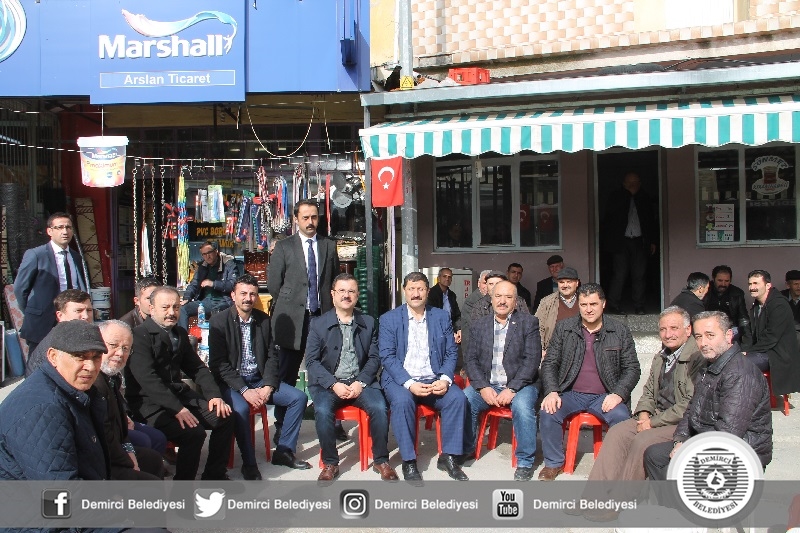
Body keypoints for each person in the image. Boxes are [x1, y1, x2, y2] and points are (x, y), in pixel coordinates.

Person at [577, 306, 703, 522]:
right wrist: (644, 414)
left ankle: (620, 503)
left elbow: (688, 405)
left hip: (681, 423)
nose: (668, 334)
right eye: (663, 329)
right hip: (657, 416)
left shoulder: (696, 358)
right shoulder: (661, 356)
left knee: (642, 441)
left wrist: (652, 423)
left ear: (688, 330)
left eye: (674, 328)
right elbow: (648, 392)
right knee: (618, 432)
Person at [643, 311, 773, 481]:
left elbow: (728, 434)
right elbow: (691, 409)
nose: (703, 343)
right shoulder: (709, 365)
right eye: (698, 337)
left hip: (739, 451)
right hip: (704, 438)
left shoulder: (740, 374)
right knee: (654, 455)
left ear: (728, 335)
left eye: (710, 335)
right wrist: (680, 439)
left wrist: (688, 448)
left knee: (676, 470)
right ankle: (673, 497)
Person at [125, 286, 234, 481]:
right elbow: (148, 380)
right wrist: (177, 409)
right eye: (165, 307)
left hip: (179, 396)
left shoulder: (180, 333)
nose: (171, 312)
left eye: (176, 307)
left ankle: (214, 474)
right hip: (149, 404)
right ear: (152, 308)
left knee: (224, 416)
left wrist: (214, 395)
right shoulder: (139, 336)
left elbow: (197, 368)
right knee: (194, 434)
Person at [208, 274, 311, 480]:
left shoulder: (264, 321)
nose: (248, 298)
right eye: (243, 293)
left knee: (298, 398)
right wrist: (244, 390)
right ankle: (249, 463)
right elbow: (219, 365)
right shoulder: (219, 322)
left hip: (259, 380)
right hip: (233, 384)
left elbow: (273, 357)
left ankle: (284, 451)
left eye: (252, 294)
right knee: (241, 410)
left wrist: (268, 386)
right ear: (233, 295)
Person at [538, 283, 640, 481]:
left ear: (603, 304)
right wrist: (551, 391)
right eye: (584, 305)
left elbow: (632, 368)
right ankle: (553, 463)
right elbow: (550, 362)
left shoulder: (619, 331)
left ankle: (618, 466)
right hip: (570, 393)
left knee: (622, 420)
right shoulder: (565, 328)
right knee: (548, 411)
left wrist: (618, 393)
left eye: (593, 304)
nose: (589, 309)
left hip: (605, 395)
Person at [306, 273, 399, 483]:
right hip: (329, 384)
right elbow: (312, 362)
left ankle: (381, 460)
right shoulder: (318, 324)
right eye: (341, 291)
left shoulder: (368, 322)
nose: (346, 295)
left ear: (357, 296)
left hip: (360, 382)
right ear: (333, 294)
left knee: (379, 407)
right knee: (322, 410)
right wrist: (333, 384)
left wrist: (361, 382)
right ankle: (330, 463)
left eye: (351, 291)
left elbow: (375, 358)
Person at [379, 272, 468, 483]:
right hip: (401, 379)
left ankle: (448, 456)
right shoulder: (389, 319)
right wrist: (409, 384)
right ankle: (409, 460)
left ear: (427, 291)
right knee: (402, 402)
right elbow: (387, 356)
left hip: (433, 377)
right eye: (411, 289)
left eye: (420, 289)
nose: (416, 294)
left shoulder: (441, 317)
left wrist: (445, 379)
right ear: (404, 291)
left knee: (457, 399)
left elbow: (451, 352)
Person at [267, 199, 339, 442]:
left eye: (314, 217)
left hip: (322, 318)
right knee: (286, 373)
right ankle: (281, 424)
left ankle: (332, 421)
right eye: (305, 217)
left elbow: (335, 282)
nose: (310, 222)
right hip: (293, 321)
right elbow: (274, 284)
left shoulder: (328, 245)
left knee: (328, 370)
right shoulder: (284, 246)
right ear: (296, 219)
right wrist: (293, 304)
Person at [0, 320, 108, 480]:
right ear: (53, 356)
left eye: (96, 357)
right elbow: (58, 488)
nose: (90, 366)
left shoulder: (71, 389)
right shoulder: (44, 408)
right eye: (80, 357)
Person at [462, 280, 542, 481]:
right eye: (498, 296)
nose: (502, 301)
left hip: (521, 384)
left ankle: (525, 461)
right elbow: (470, 360)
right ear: (491, 299)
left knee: (522, 407)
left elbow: (532, 360)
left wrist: (512, 389)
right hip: (489, 384)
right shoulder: (479, 325)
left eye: (508, 297)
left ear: (516, 301)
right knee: (465, 399)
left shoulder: (528, 323)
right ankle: (467, 448)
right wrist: (482, 387)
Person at [96, 320, 164, 481]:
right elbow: (105, 433)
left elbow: (120, 427)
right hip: (99, 456)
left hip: (115, 446)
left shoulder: (112, 377)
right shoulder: (94, 381)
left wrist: (129, 452)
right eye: (113, 345)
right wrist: (127, 460)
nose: (120, 353)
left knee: (153, 458)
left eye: (126, 348)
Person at [14, 212, 87, 353]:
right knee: (38, 360)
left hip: (70, 319)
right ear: (49, 231)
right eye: (59, 227)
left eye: (68, 227)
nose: (65, 231)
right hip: (42, 321)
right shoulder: (36, 255)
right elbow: (20, 288)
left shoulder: (76, 257)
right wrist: (32, 310)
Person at [740, 269, 800, 397]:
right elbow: (750, 332)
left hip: (778, 355)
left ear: (768, 286)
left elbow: (772, 336)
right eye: (750, 284)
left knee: (739, 365)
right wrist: (744, 350)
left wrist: (749, 352)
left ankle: (746, 401)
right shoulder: (757, 304)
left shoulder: (779, 304)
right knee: (732, 359)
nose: (752, 287)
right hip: (763, 351)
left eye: (756, 283)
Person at [604, 173, 656, 315]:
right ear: (624, 184)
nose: (634, 185)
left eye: (636, 182)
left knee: (639, 274)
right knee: (619, 274)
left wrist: (652, 240)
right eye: (630, 183)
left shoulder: (644, 197)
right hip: (621, 241)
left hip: (639, 241)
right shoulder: (616, 196)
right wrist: (627, 195)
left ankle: (639, 305)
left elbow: (650, 220)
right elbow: (610, 215)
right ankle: (613, 305)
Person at [24, 289, 93, 377]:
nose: (86, 316)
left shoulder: (76, 334)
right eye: (78, 311)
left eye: (89, 310)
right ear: (60, 316)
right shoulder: (61, 342)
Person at [178, 240, 239, 330]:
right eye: (204, 254)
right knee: (182, 308)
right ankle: (183, 337)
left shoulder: (228, 264)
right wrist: (187, 298)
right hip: (205, 302)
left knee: (216, 312)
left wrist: (213, 283)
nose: (207, 256)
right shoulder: (202, 267)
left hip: (224, 301)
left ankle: (215, 337)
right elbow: (193, 284)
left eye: (209, 252)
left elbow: (233, 285)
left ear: (216, 252)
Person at [535, 266, 581, 355]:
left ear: (577, 283)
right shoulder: (547, 302)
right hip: (553, 353)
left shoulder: (584, 301)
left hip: (580, 352)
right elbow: (537, 327)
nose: (565, 285)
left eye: (569, 282)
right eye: (561, 282)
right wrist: (541, 350)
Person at [703, 265, 750, 342]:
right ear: (713, 279)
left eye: (727, 281)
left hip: (730, 327)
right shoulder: (705, 291)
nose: (723, 284)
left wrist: (747, 338)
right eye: (720, 280)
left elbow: (743, 317)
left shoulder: (737, 293)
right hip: (708, 327)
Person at [427, 267, 462, 344]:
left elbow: (457, 315)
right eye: (444, 276)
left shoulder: (452, 295)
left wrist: (459, 329)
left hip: (451, 331)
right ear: (439, 278)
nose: (447, 279)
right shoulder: (431, 293)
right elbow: (432, 316)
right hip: (436, 333)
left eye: (449, 277)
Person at [460, 269, 491, 357]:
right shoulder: (472, 301)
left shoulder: (490, 299)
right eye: (484, 283)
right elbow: (477, 326)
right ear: (478, 283)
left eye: (490, 283)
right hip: (473, 348)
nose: (487, 287)